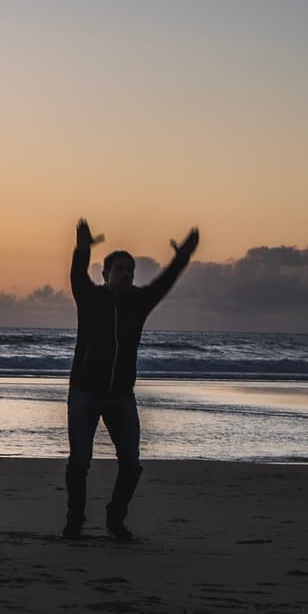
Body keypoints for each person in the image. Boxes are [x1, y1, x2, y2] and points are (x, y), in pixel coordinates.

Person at [64, 219, 200, 541]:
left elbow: (164, 283)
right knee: (80, 461)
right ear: (105, 274)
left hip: (121, 396)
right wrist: (82, 249)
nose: (126, 274)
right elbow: (76, 275)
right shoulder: (89, 298)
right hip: (84, 391)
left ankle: (115, 519)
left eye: (130, 270)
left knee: (131, 464)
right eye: (120, 269)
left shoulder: (139, 303)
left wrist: (182, 257)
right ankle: (74, 521)